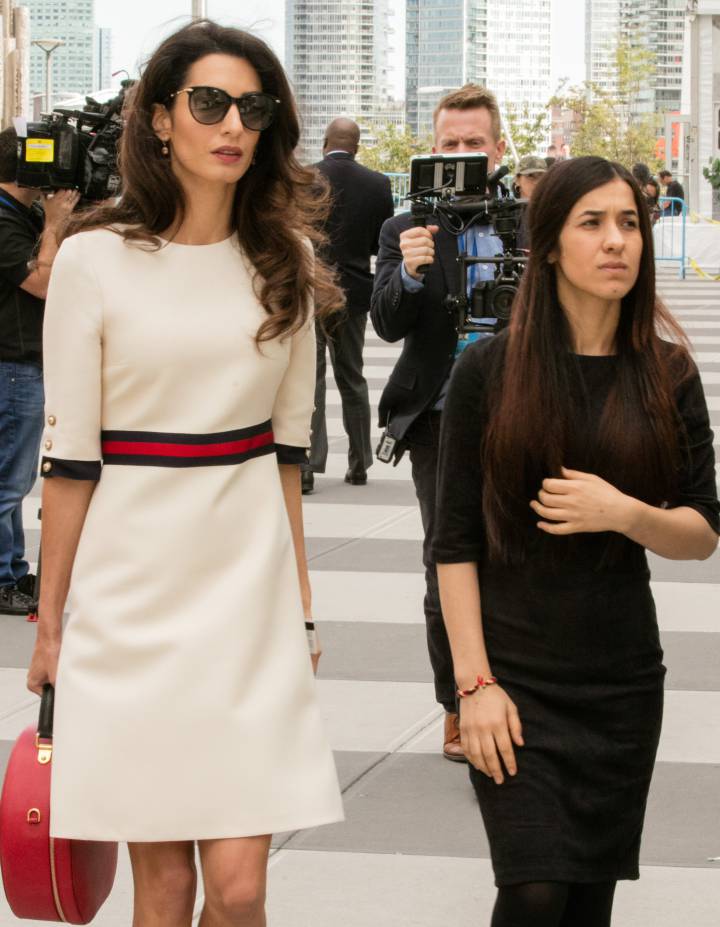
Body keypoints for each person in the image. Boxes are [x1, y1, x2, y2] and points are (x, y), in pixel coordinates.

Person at [26, 20, 344, 925]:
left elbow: (287, 462)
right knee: (164, 890)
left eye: (253, 106)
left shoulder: (288, 261)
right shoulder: (92, 259)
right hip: (130, 601)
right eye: (209, 102)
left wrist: (303, 606)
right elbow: (70, 463)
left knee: (241, 888)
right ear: (160, 118)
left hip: (247, 600)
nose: (232, 123)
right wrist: (51, 627)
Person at [432, 156, 719, 926]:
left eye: (629, 223)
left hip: (619, 681)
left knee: (588, 900)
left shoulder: (666, 374)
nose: (616, 241)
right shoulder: (487, 371)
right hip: (513, 676)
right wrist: (472, 687)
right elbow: (452, 543)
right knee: (532, 890)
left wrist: (626, 512)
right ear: (552, 243)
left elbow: (701, 532)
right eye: (592, 223)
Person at [371, 83, 507, 762]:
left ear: (498, 148)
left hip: (520, 410)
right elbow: (386, 321)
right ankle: (456, 702)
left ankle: (515, 690)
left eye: (473, 144)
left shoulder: (527, 219)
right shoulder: (403, 228)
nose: (460, 156)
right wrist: (413, 273)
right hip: (438, 415)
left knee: (519, 559)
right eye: (448, 144)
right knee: (445, 560)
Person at [0, 128, 79, 616]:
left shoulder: (19, 214)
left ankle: (10, 570)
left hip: (23, 365)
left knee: (14, 480)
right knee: (7, 482)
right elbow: (47, 283)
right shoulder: (5, 223)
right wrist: (53, 224)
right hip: (12, 368)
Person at [301, 117, 394, 494]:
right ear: (356, 146)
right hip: (355, 292)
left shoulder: (305, 179)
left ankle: (308, 466)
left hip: (313, 290)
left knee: (312, 380)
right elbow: (380, 242)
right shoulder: (378, 183)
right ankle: (359, 464)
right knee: (352, 377)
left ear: (326, 143)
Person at [513, 155, 546, 250]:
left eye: (541, 176)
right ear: (518, 180)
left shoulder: (552, 210)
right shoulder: (508, 211)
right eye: (530, 176)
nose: (537, 182)